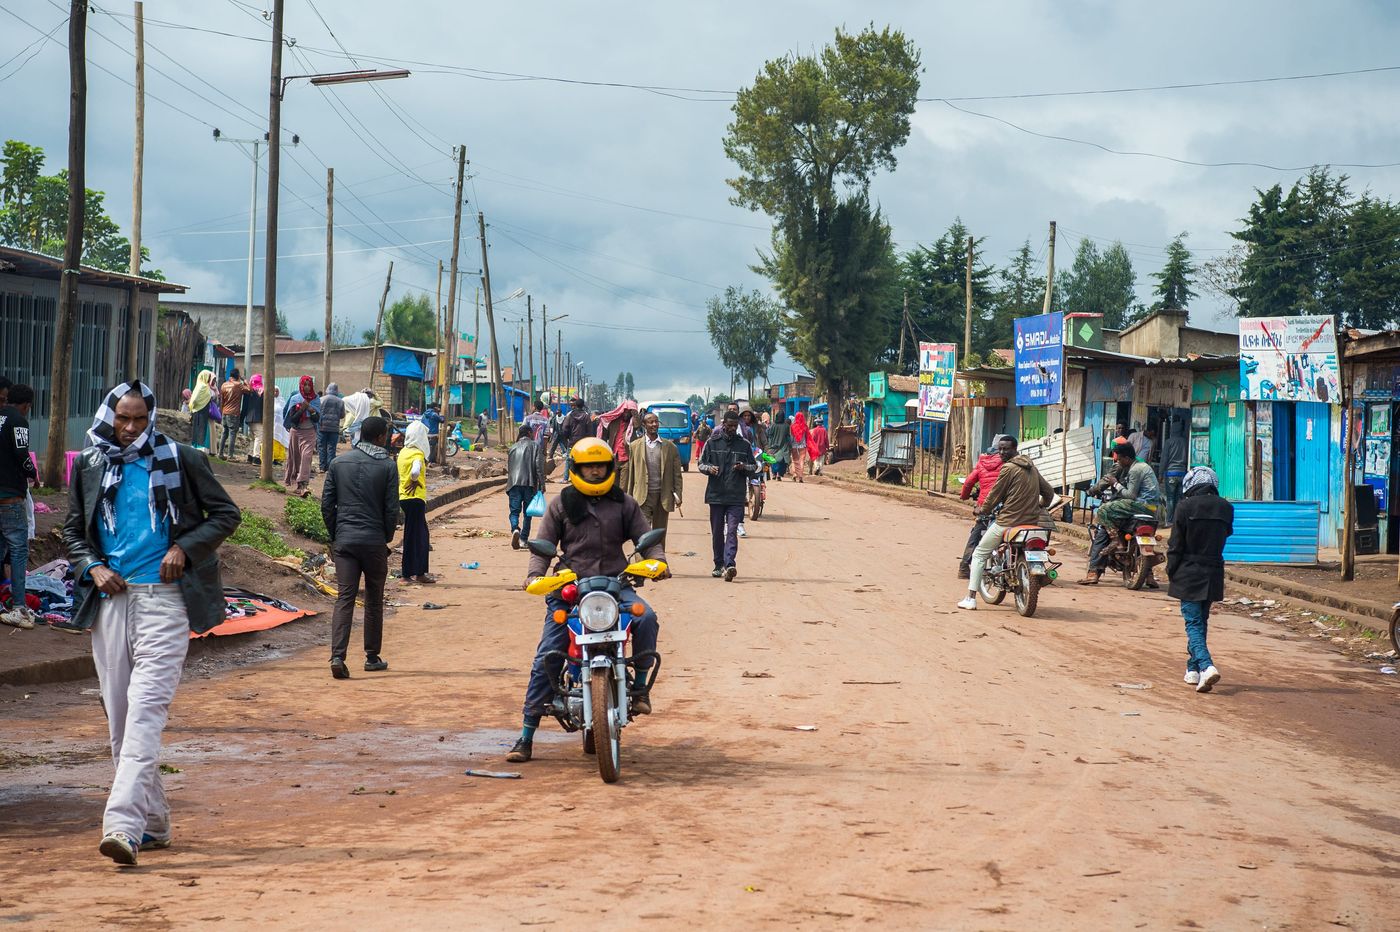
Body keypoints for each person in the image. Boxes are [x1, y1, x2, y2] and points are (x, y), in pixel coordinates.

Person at [62, 381, 239, 865]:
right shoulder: (90, 464)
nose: (130, 429)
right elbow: (74, 531)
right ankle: (156, 822)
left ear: (152, 418)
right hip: (112, 600)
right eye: (123, 418)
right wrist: (92, 567)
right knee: (119, 721)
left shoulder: (181, 459)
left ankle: (122, 825)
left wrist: (185, 547)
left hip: (166, 601)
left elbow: (226, 514)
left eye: (140, 419)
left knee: (144, 711)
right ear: (110, 415)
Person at [507, 437, 666, 763]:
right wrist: (535, 575)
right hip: (570, 587)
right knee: (548, 653)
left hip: (615, 586)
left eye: (600, 466)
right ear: (577, 469)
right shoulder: (561, 504)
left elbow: (647, 540)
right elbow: (543, 544)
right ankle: (526, 735)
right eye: (588, 467)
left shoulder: (624, 503)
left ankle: (639, 689)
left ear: (610, 468)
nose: (595, 472)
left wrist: (658, 562)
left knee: (646, 617)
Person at [321, 416, 399, 680]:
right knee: (374, 599)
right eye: (385, 435)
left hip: (345, 540)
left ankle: (337, 656)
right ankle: (371, 657)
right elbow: (391, 509)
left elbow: (326, 505)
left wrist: (336, 535)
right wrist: (385, 537)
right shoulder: (388, 466)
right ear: (379, 437)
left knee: (345, 598)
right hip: (374, 540)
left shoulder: (338, 462)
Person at [957, 435, 1055, 611]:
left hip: (1007, 521)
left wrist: (982, 510)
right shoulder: (1031, 467)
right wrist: (1040, 506)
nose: (1002, 452)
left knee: (979, 553)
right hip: (1032, 522)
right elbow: (1048, 492)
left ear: (1015, 449)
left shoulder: (1008, 468)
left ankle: (970, 598)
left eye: (1006, 449)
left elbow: (995, 495)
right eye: (1000, 449)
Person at [1167, 466, 1233, 693]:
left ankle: (1206, 666)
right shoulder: (1226, 508)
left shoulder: (1184, 507)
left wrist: (1171, 570)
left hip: (1188, 571)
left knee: (1193, 623)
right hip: (1214, 571)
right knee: (1201, 621)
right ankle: (1192, 670)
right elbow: (1226, 535)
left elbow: (1175, 544)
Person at [1078, 442, 1162, 586]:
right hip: (1154, 510)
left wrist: (1113, 484)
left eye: (1119, 459)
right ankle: (1149, 576)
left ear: (1126, 458)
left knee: (1103, 514)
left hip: (1140, 506)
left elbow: (1127, 493)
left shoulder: (1131, 469)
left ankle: (1096, 569)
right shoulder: (1142, 466)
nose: (1117, 461)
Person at [699, 410, 757, 581]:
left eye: (735, 426)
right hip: (716, 495)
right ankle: (718, 564)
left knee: (731, 531)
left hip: (736, 496)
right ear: (723, 425)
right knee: (717, 532)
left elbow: (754, 467)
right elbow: (701, 464)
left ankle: (730, 564)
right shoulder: (712, 443)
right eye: (729, 426)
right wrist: (710, 469)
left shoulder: (744, 445)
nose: (732, 429)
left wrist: (743, 467)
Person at [0, 384, 38, 629]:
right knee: (18, 551)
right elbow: (22, 454)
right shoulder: (19, 421)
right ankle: (19, 608)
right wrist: (33, 473)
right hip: (11, 497)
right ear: (26, 405)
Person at [956, 439, 1007, 580]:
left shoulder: (981, 464)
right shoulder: (1007, 464)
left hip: (984, 506)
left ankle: (964, 566)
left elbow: (968, 483)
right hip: (1004, 504)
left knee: (977, 534)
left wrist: (964, 496)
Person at [625, 410, 683, 534]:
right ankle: (642, 554)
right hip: (642, 497)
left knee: (659, 535)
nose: (654, 424)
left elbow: (677, 475)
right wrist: (629, 498)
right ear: (644, 425)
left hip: (662, 498)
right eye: (650, 422)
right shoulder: (635, 446)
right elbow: (631, 474)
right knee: (642, 534)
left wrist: (678, 495)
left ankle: (657, 554)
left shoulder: (670, 447)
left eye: (656, 421)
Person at [398, 420, 434, 585]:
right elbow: (415, 471)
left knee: (414, 534)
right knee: (418, 536)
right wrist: (414, 480)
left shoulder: (403, 452)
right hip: (416, 497)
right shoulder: (418, 455)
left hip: (403, 497)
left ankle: (414, 572)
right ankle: (414, 573)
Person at [282, 376, 320, 496]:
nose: (307, 387)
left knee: (306, 457)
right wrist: (302, 409)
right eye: (305, 385)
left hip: (309, 432)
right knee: (296, 458)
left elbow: (317, 418)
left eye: (309, 385)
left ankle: (304, 484)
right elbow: (292, 419)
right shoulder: (295, 399)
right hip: (296, 432)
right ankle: (297, 484)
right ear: (301, 386)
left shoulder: (316, 399)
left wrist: (311, 409)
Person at [506, 424, 542, 550]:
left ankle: (515, 529)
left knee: (514, 511)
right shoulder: (535, 446)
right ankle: (523, 539)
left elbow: (509, 468)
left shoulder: (512, 447)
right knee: (528, 513)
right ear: (529, 433)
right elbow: (538, 467)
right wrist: (542, 484)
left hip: (513, 484)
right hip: (529, 483)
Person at [1160, 420, 1188, 526]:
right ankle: (1178, 520)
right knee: (1180, 498)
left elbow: (1164, 459)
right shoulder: (1185, 441)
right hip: (1183, 473)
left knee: (1170, 498)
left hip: (1171, 474)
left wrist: (1160, 474)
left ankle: (1170, 521)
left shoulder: (1169, 442)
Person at [216, 369, 247, 459]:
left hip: (225, 412)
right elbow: (250, 389)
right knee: (232, 434)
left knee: (224, 433)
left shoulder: (224, 385)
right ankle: (230, 455)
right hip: (234, 413)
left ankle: (220, 453)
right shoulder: (238, 385)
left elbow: (221, 400)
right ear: (237, 376)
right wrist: (244, 380)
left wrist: (222, 411)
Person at [317, 383, 346, 472]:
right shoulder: (340, 401)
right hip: (334, 428)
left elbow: (317, 412)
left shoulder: (321, 399)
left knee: (321, 446)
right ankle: (330, 468)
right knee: (332, 447)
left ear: (327, 389)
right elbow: (342, 415)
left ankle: (322, 467)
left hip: (322, 427)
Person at [188, 370, 215, 452]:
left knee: (197, 428)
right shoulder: (203, 386)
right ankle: (199, 446)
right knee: (201, 428)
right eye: (208, 377)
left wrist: (192, 407)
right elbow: (196, 398)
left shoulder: (200, 385)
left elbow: (194, 399)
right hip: (202, 410)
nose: (209, 378)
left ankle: (195, 445)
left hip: (196, 409)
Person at [242, 374, 264, 464]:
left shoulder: (249, 391)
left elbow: (245, 406)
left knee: (253, 438)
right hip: (258, 418)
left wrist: (242, 418)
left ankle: (250, 456)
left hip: (249, 418)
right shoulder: (262, 391)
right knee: (259, 437)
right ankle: (256, 457)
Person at [766, 410, 793, 480]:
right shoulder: (786, 426)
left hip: (774, 445)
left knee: (773, 460)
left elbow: (769, 435)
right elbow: (788, 437)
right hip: (783, 446)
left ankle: (774, 474)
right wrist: (790, 445)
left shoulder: (773, 425)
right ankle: (779, 474)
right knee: (782, 462)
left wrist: (769, 444)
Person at [271, 386, 290, 465]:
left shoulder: (282, 401)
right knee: (273, 441)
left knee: (280, 440)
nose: (275, 393)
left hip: (280, 425)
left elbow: (285, 412)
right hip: (272, 425)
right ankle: (272, 457)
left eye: (277, 391)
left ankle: (279, 458)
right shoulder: (269, 401)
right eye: (274, 391)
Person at [789, 410, 810, 482]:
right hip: (803, 445)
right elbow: (808, 436)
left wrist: (790, 444)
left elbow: (791, 436)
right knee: (801, 460)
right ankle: (800, 476)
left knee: (794, 460)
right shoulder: (805, 426)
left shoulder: (792, 426)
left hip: (794, 445)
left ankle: (795, 474)